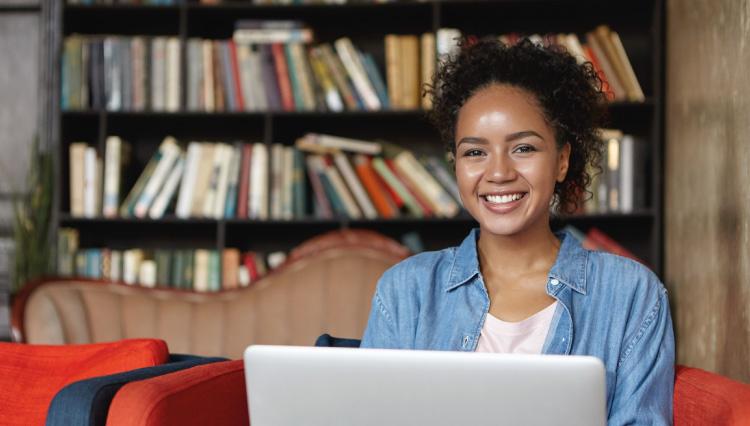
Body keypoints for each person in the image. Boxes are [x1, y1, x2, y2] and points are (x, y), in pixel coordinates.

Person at [360, 38, 675, 425]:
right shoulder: (405, 291)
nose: (498, 173)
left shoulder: (631, 294)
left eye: (523, 148)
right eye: (475, 152)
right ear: (456, 165)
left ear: (561, 161)